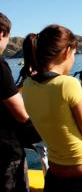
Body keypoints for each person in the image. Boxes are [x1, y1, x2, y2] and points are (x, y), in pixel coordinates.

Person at [21, 24, 82, 192]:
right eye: (74, 54)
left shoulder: (28, 85)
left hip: (55, 178)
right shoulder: (68, 84)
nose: (74, 59)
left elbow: (58, 106)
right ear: (66, 51)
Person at [0, 12, 32, 192]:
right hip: (6, 152)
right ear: (1, 34)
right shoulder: (0, 66)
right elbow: (21, 114)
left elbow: (6, 93)